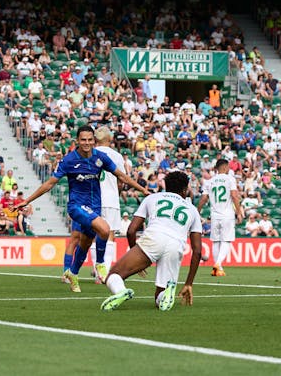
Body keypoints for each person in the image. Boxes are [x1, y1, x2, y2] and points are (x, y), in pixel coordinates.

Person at [17, 125, 149, 293]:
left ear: (94, 140)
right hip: (76, 206)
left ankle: (73, 273)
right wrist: (27, 200)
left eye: (89, 140)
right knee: (105, 229)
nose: (86, 143)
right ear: (77, 141)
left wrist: (142, 190)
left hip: (95, 207)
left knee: (85, 244)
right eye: (83, 140)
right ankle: (100, 264)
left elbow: (122, 177)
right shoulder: (69, 160)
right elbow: (50, 184)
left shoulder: (100, 158)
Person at [100, 171, 202, 311]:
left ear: (166, 185)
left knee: (114, 275)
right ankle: (165, 294)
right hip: (176, 244)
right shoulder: (192, 210)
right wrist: (188, 283)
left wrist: (135, 252)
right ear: (185, 190)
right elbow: (197, 251)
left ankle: (120, 291)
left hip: (154, 237)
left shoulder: (152, 198)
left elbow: (131, 230)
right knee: (159, 297)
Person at [87, 126, 126, 283]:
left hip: (92, 199)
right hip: (110, 199)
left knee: (94, 235)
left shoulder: (89, 154)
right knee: (109, 234)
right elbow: (122, 178)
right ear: (109, 139)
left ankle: (98, 271)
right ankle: (104, 273)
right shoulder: (116, 155)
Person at [197, 159, 243, 277]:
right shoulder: (230, 179)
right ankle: (218, 263)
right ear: (225, 167)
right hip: (227, 214)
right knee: (226, 240)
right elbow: (234, 195)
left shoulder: (209, 181)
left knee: (216, 241)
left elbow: (203, 198)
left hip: (214, 215)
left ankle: (218, 268)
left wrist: (197, 211)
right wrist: (239, 212)